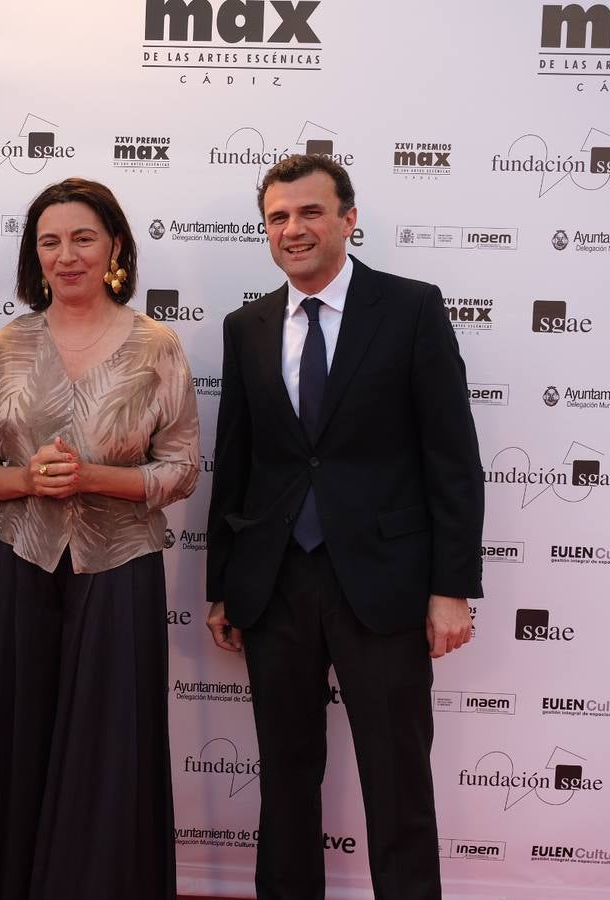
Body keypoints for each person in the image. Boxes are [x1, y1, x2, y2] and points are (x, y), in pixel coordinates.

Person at [205, 154, 484, 899]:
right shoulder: (247, 325)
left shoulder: (412, 308)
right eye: (278, 218)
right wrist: (225, 583)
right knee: (286, 781)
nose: (293, 229)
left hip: (385, 584)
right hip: (277, 584)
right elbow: (236, 463)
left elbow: (453, 459)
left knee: (397, 785)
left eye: (310, 213)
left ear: (349, 219)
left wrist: (452, 588)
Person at [0, 178, 200, 900]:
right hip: (24, 560)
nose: (67, 255)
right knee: (16, 737)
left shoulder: (157, 345)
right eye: (50, 242)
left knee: (111, 750)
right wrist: (29, 481)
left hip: (120, 566)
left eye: (83, 238)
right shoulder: (6, 345)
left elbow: (182, 469)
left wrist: (93, 476)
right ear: (36, 255)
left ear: (114, 245)